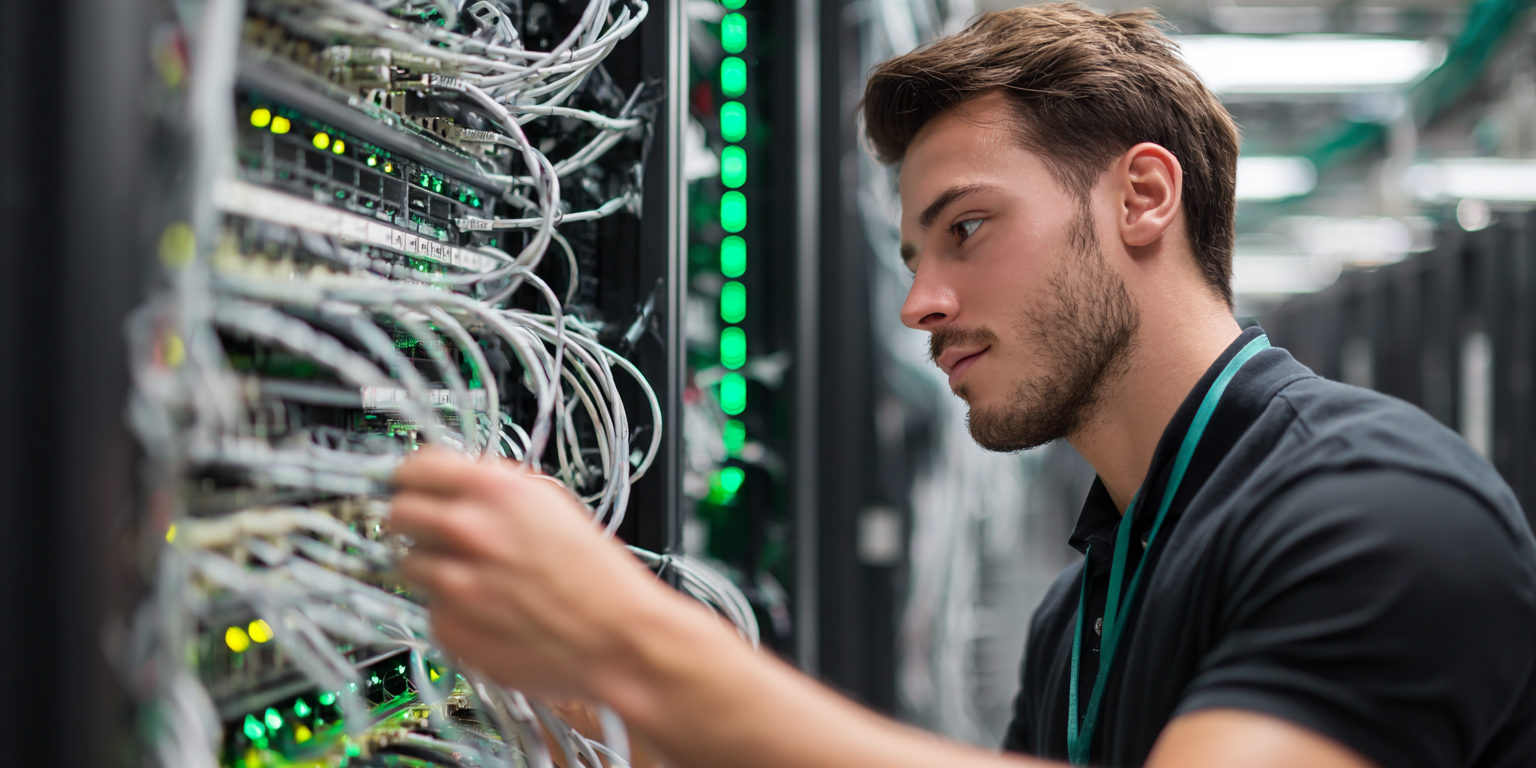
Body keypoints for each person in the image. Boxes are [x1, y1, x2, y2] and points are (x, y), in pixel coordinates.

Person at [389, 5, 1536, 767]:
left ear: (1144, 198)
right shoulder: (1084, 609)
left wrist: (642, 651)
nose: (920, 303)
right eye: (913, 257)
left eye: (968, 228)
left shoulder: (1382, 509)